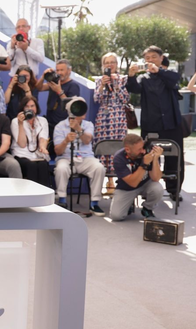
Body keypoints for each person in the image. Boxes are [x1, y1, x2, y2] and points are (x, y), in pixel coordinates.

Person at [127, 46, 185, 200]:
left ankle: (174, 191)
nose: (150, 60)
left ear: (161, 58)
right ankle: (150, 191)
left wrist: (158, 71)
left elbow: (175, 79)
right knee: (150, 158)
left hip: (172, 124)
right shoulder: (143, 78)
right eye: (147, 58)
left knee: (175, 159)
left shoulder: (168, 75)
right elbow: (133, 88)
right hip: (151, 125)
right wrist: (131, 75)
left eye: (154, 57)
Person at [52, 100, 106, 215]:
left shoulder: (88, 124)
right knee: (61, 168)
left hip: (86, 158)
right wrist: (66, 141)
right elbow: (58, 151)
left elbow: (87, 140)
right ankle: (62, 199)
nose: (79, 114)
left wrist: (79, 129)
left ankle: (94, 202)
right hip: (66, 157)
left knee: (99, 167)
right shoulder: (60, 126)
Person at [93, 52, 129, 195]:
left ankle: (116, 183)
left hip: (118, 117)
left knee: (117, 147)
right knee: (104, 146)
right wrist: (102, 85)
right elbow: (96, 98)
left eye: (112, 62)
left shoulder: (123, 79)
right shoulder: (99, 80)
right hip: (104, 117)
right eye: (107, 63)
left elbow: (125, 99)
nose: (109, 65)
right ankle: (106, 182)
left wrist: (115, 85)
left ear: (117, 64)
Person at [109, 133, 164, 220]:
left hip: (146, 184)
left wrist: (155, 158)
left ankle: (147, 208)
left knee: (158, 188)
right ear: (128, 149)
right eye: (139, 149)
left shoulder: (148, 151)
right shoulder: (119, 158)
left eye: (142, 147)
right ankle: (129, 203)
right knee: (116, 216)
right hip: (126, 187)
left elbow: (156, 178)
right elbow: (133, 183)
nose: (142, 151)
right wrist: (144, 164)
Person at [36, 59, 81, 141]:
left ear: (69, 71)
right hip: (50, 123)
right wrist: (43, 76)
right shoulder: (55, 82)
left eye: (62, 70)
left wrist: (59, 91)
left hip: (63, 125)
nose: (59, 73)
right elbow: (39, 88)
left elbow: (72, 106)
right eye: (57, 70)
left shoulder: (73, 86)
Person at [10, 96, 50, 187]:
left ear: (36, 108)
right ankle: (32, 196)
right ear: (22, 108)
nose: (30, 109)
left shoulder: (43, 121)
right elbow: (22, 144)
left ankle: (43, 195)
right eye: (27, 106)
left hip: (37, 155)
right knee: (31, 166)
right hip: (22, 155)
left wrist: (43, 148)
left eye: (32, 106)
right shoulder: (15, 121)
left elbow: (43, 138)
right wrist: (21, 124)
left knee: (43, 165)